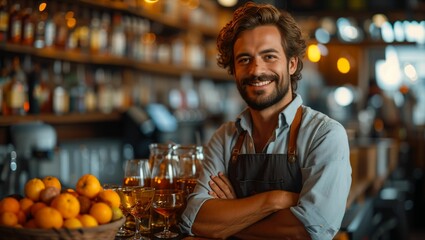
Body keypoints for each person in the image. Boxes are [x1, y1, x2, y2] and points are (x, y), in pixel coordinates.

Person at [180, 2, 351, 240]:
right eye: (244, 59)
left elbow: (309, 230)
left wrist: (232, 218)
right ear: (234, 70)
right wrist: (275, 200)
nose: (256, 70)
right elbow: (195, 219)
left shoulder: (324, 135)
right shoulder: (224, 138)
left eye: (269, 56)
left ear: (291, 64)